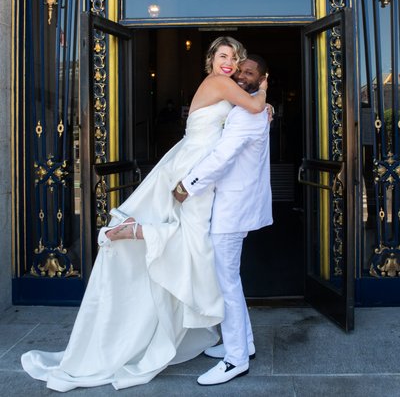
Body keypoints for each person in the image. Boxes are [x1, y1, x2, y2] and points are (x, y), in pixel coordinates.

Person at [21, 37, 268, 392]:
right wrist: (264, 94)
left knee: (201, 250)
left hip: (190, 166)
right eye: (223, 56)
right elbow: (254, 108)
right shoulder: (220, 84)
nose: (230, 64)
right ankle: (135, 232)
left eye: (236, 58)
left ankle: (238, 341)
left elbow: (247, 114)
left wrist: (260, 101)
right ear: (211, 60)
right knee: (195, 247)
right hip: (194, 172)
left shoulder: (223, 86)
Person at [173, 54, 273, 385]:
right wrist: (263, 98)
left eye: (249, 72)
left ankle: (235, 359)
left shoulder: (247, 113)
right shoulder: (252, 105)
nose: (241, 75)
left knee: (227, 283)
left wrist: (187, 184)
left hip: (232, 209)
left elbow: (222, 157)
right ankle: (245, 343)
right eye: (240, 70)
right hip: (239, 205)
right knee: (231, 280)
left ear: (262, 78)